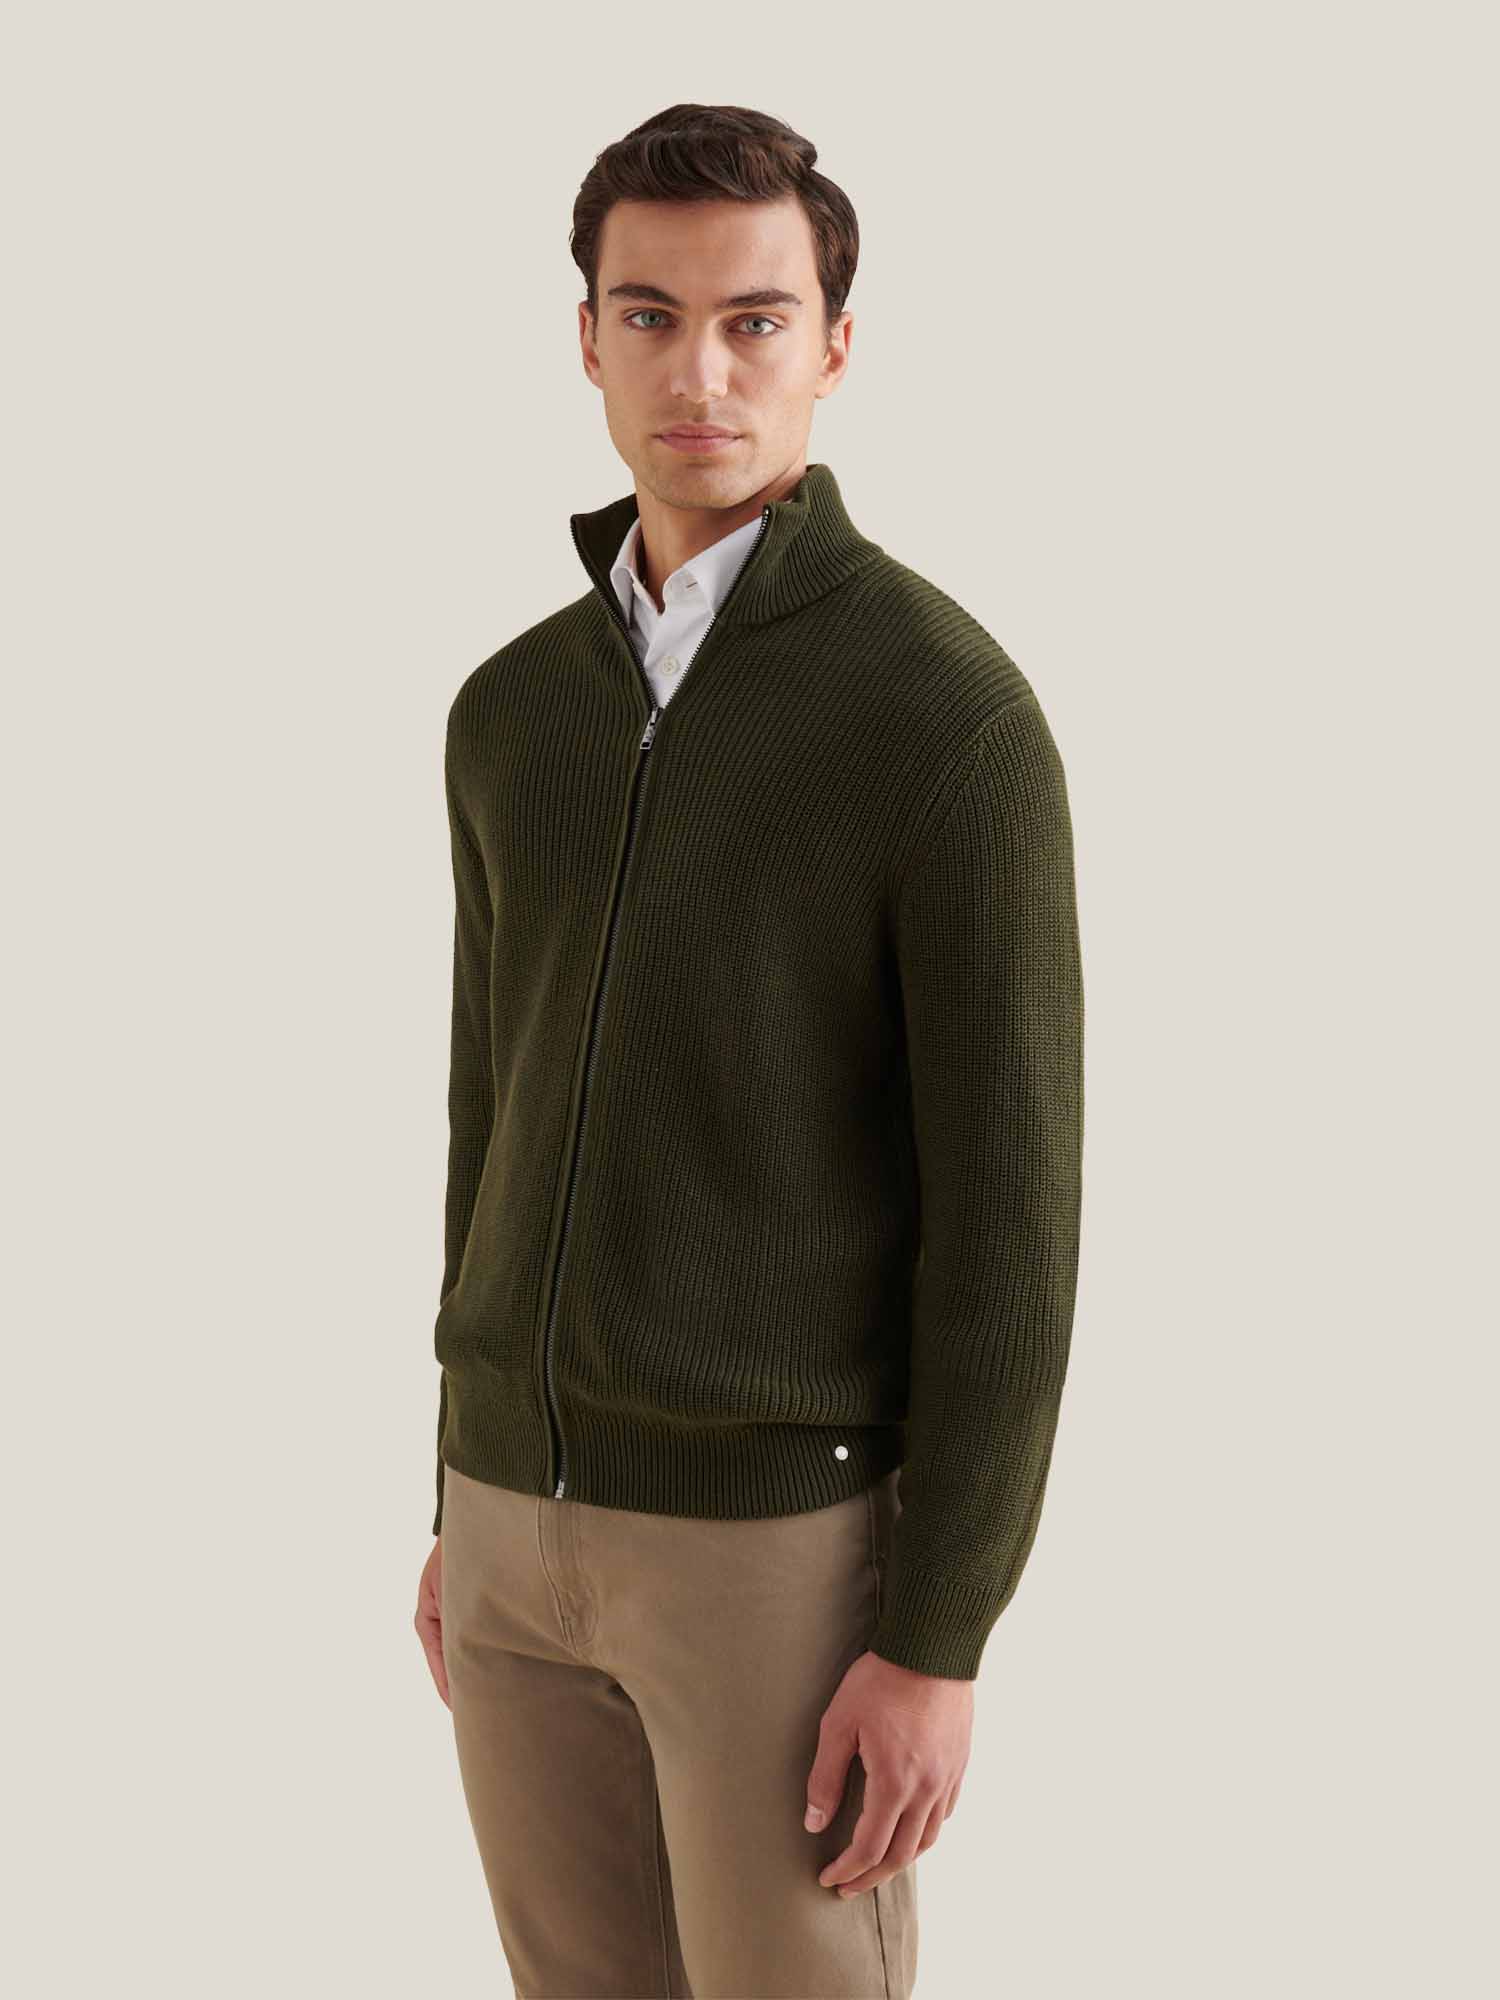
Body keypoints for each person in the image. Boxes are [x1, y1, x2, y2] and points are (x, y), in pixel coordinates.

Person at [413, 101, 1084, 2000]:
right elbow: (489, 1121)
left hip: (776, 1556)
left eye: (754, 321)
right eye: (650, 316)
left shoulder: (944, 720)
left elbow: (1013, 1224)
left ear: (834, 347)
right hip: (512, 1526)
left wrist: (940, 1632)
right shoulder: (511, 714)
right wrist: (457, 1486)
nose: (699, 373)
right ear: (588, 339)